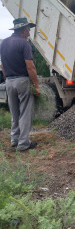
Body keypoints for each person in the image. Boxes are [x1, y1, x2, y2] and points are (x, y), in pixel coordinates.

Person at [0, 17, 40, 151]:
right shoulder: (24, 43)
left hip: (9, 82)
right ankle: (23, 143)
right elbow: (30, 66)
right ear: (23, 30)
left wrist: (8, 78)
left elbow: (2, 65)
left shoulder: (3, 43)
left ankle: (14, 139)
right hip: (22, 81)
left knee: (14, 112)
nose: (29, 32)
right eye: (28, 29)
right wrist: (36, 86)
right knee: (25, 113)